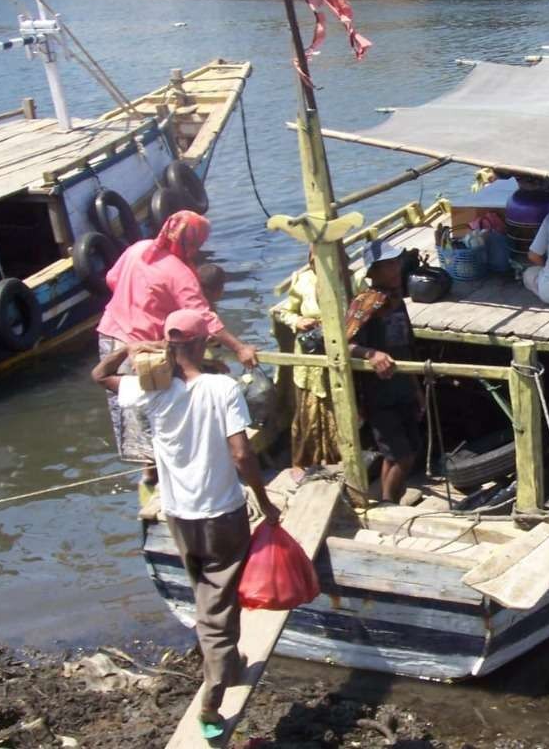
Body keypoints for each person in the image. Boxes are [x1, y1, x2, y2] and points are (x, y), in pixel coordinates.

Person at [91, 308, 279, 738]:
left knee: (210, 595)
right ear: (202, 344)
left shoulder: (150, 388)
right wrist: (264, 501)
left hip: (178, 515)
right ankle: (214, 695)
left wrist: (127, 349)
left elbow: (100, 376)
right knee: (217, 604)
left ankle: (227, 663)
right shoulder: (221, 387)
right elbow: (241, 454)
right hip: (222, 513)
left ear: (169, 344)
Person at [95, 211, 257, 474]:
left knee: (131, 405)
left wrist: (137, 299)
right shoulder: (180, 273)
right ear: (193, 243)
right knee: (158, 405)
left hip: (111, 334)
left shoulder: (139, 249)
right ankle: (168, 472)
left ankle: (148, 473)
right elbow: (204, 318)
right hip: (145, 348)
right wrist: (239, 348)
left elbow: (112, 279)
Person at [346, 241, 424, 504]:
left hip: (403, 388)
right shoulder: (365, 303)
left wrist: (416, 389)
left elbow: (406, 348)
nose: (395, 268)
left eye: (396, 262)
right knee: (403, 456)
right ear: (372, 272)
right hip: (378, 395)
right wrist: (371, 354)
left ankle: (390, 497)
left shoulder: (396, 300)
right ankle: (389, 504)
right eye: (388, 264)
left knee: (404, 451)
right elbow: (344, 344)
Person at [272, 258, 341, 469]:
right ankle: (302, 463)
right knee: (306, 415)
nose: (315, 262)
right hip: (309, 362)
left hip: (337, 357)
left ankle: (337, 460)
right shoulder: (302, 282)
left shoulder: (348, 278)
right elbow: (283, 312)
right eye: (312, 258)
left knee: (339, 412)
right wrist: (297, 321)